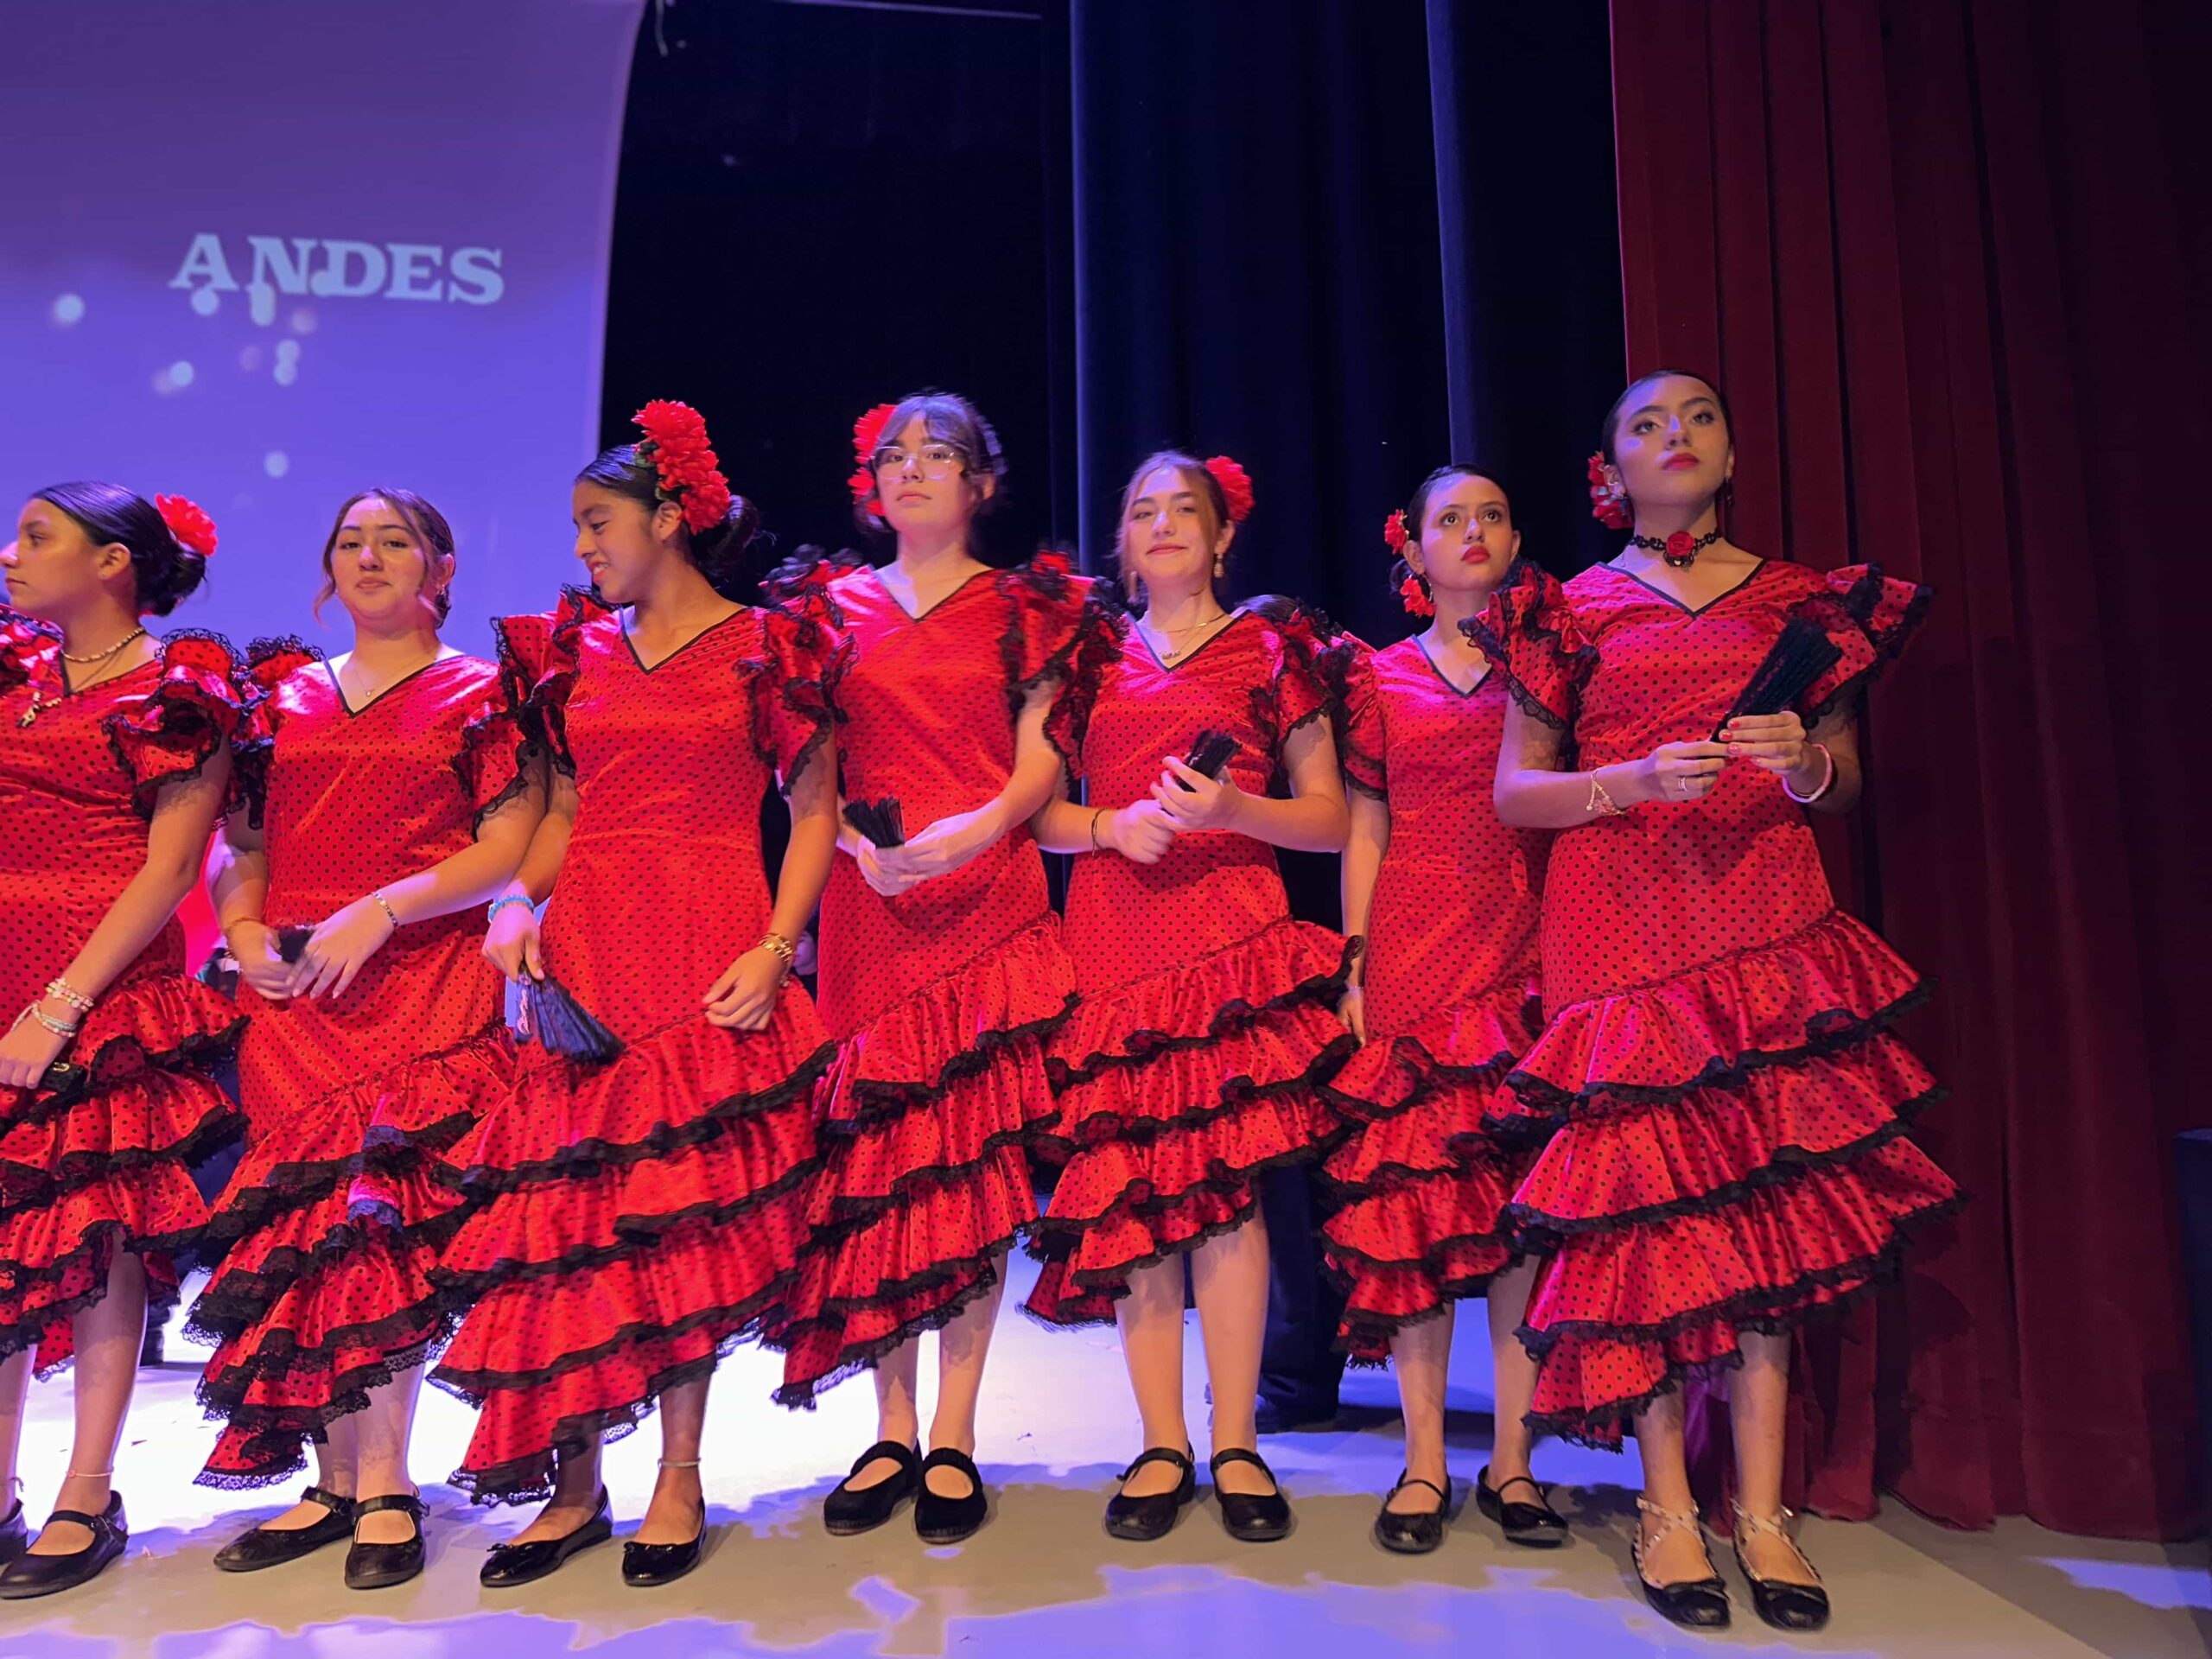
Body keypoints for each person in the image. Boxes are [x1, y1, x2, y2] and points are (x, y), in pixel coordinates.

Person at [1471, 370, 1955, 1632]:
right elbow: (1517, 791)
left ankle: (1764, 1510)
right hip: (1619, 922)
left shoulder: (1802, 602)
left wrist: (1804, 765)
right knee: (1644, 1212)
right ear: (1610, 471)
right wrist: (1629, 780)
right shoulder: (1567, 609)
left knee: (1762, 1201)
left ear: (1731, 455)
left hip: (1762, 917)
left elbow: (1842, 780)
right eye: (1644, 424)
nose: (1673, 436)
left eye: (1696, 418)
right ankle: (1667, 1508)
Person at [433, 402, 841, 1588]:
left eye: (597, 521)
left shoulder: (769, 644)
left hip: (708, 936)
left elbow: (813, 809)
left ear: (669, 518)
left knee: (678, 1215)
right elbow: (563, 811)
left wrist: (779, 946)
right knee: (571, 1216)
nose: (581, 546)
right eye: (576, 526)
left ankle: (678, 1475)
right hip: (591, 946)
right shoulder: (577, 649)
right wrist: (516, 905)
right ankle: (572, 1489)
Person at [195, 488, 540, 1590]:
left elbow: (507, 845)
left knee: (378, 1228)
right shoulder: (283, 695)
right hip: (297, 993)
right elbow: (242, 843)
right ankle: (335, 1480)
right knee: (306, 1233)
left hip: (419, 980)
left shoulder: (481, 691)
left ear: (442, 567)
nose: (369, 557)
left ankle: (387, 1482)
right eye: (350, 541)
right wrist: (244, 930)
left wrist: (383, 909)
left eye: (395, 541)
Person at [769, 391, 1085, 1548]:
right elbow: (805, 773)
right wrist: (858, 850)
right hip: (870, 905)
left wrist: (974, 830)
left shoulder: (1027, 608)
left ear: (982, 484)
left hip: (984, 898)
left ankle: (953, 1432)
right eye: (894, 453)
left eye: (938, 453)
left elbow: (1042, 761)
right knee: (879, 1169)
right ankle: (890, 1427)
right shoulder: (826, 610)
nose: (910, 468)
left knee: (970, 1166)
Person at [1024, 452, 1351, 1543]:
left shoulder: (1269, 649)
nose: (1162, 524)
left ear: (1221, 536)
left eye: (1185, 510)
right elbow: (1040, 817)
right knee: (1137, 1199)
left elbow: (1329, 818)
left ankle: (1236, 1438)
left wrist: (1233, 811)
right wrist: (1109, 826)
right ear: (1122, 542)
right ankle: (1161, 1441)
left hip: (1230, 948)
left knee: (1232, 1198)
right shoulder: (1086, 658)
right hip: (1115, 946)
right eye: (1142, 511)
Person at [0, 485, 242, 1597]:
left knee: (98, 1232)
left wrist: (61, 1005)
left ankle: (87, 1490)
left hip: (97, 984)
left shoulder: (177, 685)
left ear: (112, 562)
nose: (10, 553)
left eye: (35, 536)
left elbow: (171, 865)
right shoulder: (16, 672)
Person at [1319, 469, 1562, 1554]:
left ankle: (1514, 1461)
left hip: (1527, 938)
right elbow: (1364, 823)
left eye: (1491, 516)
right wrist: (1356, 963)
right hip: (1414, 945)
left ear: (1514, 541)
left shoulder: (1548, 661)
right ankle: (1423, 1459)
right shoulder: (1375, 675)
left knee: (1513, 1209)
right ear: (1411, 551)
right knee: (1418, 1205)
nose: (1472, 532)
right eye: (1449, 519)